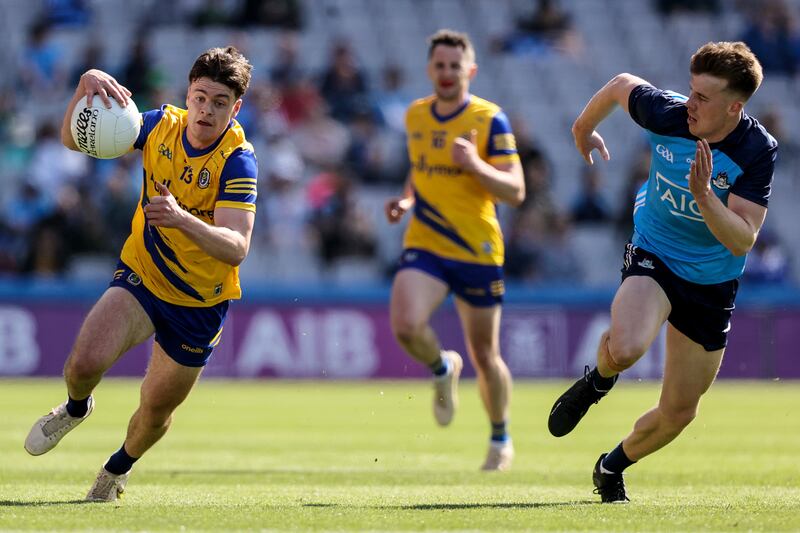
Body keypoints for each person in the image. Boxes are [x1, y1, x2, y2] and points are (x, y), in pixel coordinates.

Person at [24, 46, 257, 502]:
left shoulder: (238, 160)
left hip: (198, 303)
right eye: (199, 97)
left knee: (154, 411)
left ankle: (115, 471)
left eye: (219, 102)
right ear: (187, 94)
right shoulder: (158, 126)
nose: (206, 111)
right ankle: (75, 408)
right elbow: (72, 139)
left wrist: (183, 218)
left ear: (236, 107)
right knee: (83, 364)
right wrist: (83, 86)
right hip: (143, 274)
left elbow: (238, 248)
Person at [547, 42, 777, 502]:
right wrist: (583, 128)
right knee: (627, 347)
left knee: (679, 413)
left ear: (734, 107)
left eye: (702, 98)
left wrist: (706, 198)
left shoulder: (756, 150)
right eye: (690, 91)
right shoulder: (668, 113)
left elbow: (742, 239)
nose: (689, 104)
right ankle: (598, 381)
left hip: (712, 283)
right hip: (655, 253)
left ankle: (610, 467)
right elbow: (619, 85)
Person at [384, 29, 525, 471]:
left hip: (476, 248)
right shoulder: (415, 115)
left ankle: (500, 437)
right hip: (425, 241)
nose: (446, 73)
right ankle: (443, 367)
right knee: (406, 324)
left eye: (454, 66)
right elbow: (421, 170)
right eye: (439, 66)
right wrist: (407, 200)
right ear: (430, 70)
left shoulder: (490, 120)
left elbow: (516, 190)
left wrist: (475, 164)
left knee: (485, 354)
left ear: (471, 70)